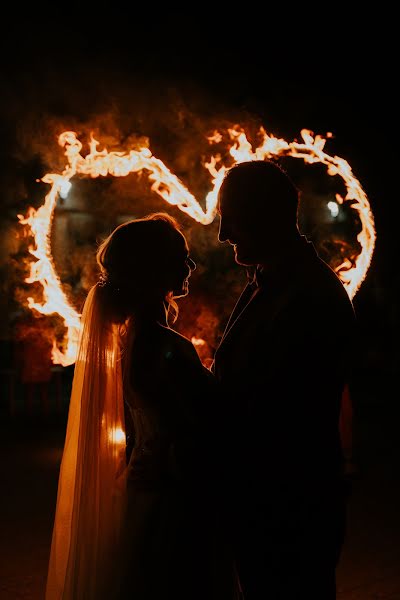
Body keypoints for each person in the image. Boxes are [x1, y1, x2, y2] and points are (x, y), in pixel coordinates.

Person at [45, 212, 239, 600]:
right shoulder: (162, 344)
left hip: (152, 494)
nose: (190, 265)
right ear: (154, 268)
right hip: (177, 502)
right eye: (180, 258)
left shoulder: (137, 339)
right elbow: (201, 427)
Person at [212, 160, 357, 599]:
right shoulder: (270, 280)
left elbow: (276, 410)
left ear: (263, 215)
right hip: (267, 501)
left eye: (230, 218)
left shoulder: (308, 295)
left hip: (288, 506)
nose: (222, 235)